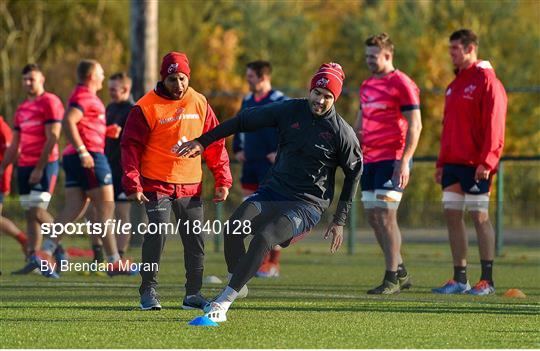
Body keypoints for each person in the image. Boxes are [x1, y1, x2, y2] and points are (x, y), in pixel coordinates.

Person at [177, 62, 363, 323]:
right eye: (317, 93)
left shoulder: (342, 133)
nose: (320, 100)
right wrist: (202, 141)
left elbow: (355, 173)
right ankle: (237, 282)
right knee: (233, 228)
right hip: (272, 191)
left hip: (306, 205)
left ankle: (224, 301)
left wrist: (340, 219)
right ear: (310, 90)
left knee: (264, 237)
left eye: (327, 96)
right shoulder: (289, 110)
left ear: (335, 98)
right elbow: (243, 120)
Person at [121, 52, 232, 311]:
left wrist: (222, 179)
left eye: (183, 78)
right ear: (163, 78)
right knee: (157, 233)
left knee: (195, 239)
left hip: (190, 185)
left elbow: (215, 143)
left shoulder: (200, 102)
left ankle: (192, 294)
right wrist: (133, 182)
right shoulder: (145, 107)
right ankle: (148, 291)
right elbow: (130, 148)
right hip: (155, 184)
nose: (179, 85)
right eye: (172, 79)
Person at [36, 59, 136, 278]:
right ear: (92, 76)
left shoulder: (86, 97)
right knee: (106, 210)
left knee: (73, 208)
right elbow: (68, 121)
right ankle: (113, 261)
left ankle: (46, 251)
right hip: (89, 157)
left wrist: (104, 132)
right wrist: (83, 151)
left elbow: (83, 124)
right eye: (101, 73)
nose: (103, 77)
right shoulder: (86, 97)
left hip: (74, 157)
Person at [433, 29, 507, 296]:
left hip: (477, 164)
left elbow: (495, 124)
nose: (451, 53)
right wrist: (441, 162)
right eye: (450, 48)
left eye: (455, 49)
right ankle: (459, 279)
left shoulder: (487, 80)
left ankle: (487, 280)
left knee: (479, 216)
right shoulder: (455, 84)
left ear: (471, 48)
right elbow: (448, 127)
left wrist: (488, 160)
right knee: (452, 215)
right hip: (453, 164)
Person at [353, 33, 422, 294]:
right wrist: (354, 145)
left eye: (374, 56)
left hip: (393, 159)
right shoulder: (367, 85)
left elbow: (416, 124)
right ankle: (401, 271)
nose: (369, 60)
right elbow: (361, 122)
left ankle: (391, 277)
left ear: (388, 55)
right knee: (373, 217)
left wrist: (404, 162)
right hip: (370, 160)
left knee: (385, 215)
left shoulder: (402, 83)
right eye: (367, 56)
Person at [0, 64, 65, 275]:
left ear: (42, 79)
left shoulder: (50, 102)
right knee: (29, 214)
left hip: (45, 164)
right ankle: (34, 257)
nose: (29, 83)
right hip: (25, 166)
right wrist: (2, 168)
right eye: (25, 79)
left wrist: (39, 167)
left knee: (37, 211)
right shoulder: (21, 110)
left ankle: (58, 247)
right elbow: (14, 144)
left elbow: (52, 137)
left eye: (33, 79)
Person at [232, 60, 288, 278]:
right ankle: (259, 259)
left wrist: (280, 151)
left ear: (263, 77)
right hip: (251, 165)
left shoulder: (279, 100)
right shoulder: (247, 100)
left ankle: (271, 263)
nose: (248, 82)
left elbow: (291, 128)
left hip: (271, 166)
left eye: (251, 77)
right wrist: (238, 148)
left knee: (273, 214)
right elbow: (240, 124)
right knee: (252, 212)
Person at [85, 72, 135, 267]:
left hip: (123, 170)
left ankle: (118, 258)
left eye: (114, 89)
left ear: (125, 89)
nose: (111, 93)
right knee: (93, 211)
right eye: (109, 89)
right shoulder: (109, 108)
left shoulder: (133, 111)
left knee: (122, 214)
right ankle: (97, 256)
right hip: (104, 166)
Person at [0, 115, 27, 257]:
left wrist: (2, 171)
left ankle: (25, 240)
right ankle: (24, 240)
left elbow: (13, 152)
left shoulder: (2, 127)